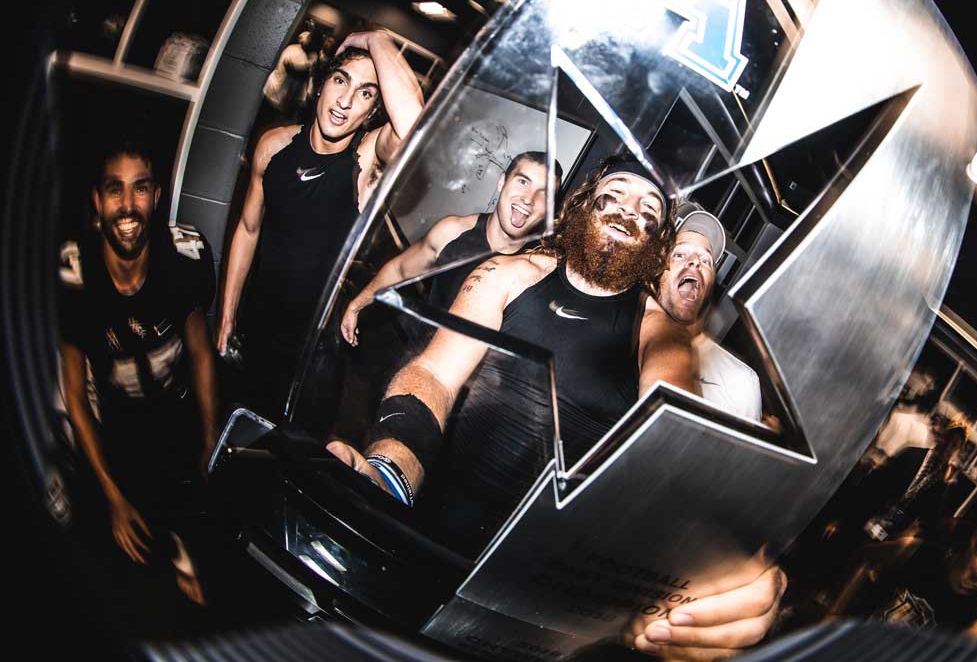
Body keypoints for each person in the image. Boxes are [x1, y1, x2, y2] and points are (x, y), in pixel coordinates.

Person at [329, 156, 785, 659]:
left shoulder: (661, 336)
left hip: (532, 605)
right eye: (616, 194)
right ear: (584, 204)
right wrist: (389, 471)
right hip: (429, 540)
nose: (629, 211)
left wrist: (705, 569)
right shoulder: (507, 275)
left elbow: (668, 450)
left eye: (649, 208)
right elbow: (434, 374)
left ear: (656, 241)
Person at [217, 29, 424, 419]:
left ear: (373, 111)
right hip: (255, 326)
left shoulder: (366, 161)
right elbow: (248, 229)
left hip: (313, 349)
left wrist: (378, 39)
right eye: (340, 81)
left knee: (288, 455)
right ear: (320, 86)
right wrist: (227, 313)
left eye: (365, 93)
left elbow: (414, 126)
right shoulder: (273, 145)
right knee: (235, 427)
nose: (345, 102)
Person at [58, 136, 218, 599]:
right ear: (96, 199)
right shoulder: (75, 275)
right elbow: (73, 392)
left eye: (141, 188)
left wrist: (210, 441)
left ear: (157, 195)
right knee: (123, 560)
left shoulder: (184, 257)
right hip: (117, 422)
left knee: (201, 531)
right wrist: (111, 497)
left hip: (175, 410)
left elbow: (202, 352)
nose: (128, 206)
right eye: (115, 189)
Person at [340, 151, 563, 345]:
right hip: (413, 358)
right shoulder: (453, 230)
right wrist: (357, 305)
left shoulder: (538, 270)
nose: (529, 199)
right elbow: (400, 270)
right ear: (501, 182)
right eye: (523, 182)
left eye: (544, 194)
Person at [828, 490, 977, 637]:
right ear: (975, 538)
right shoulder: (919, 553)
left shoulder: (969, 619)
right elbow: (865, 557)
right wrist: (835, 614)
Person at [654, 202, 764, 423]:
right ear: (657, 267)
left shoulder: (740, 382)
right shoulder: (619, 331)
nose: (695, 262)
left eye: (706, 260)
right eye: (680, 254)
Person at [261, 29, 320, 125]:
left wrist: (307, 94)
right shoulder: (292, 50)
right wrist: (307, 68)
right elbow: (294, 69)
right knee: (265, 122)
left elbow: (309, 76)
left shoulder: (313, 55)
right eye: (310, 42)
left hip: (290, 100)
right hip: (274, 94)